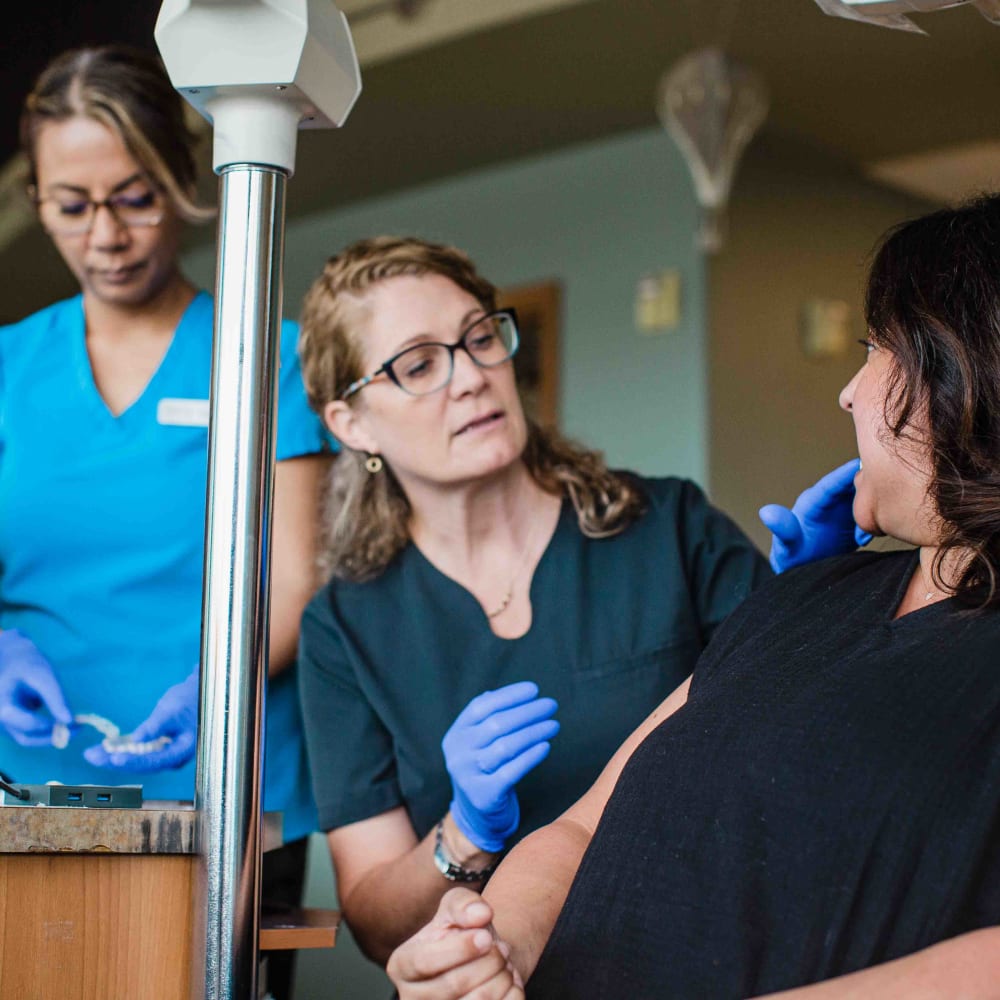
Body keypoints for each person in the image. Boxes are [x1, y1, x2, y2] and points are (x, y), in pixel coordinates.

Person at [386, 195, 1000, 998]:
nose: (848, 393)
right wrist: (492, 946)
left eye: (879, 350)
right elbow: (579, 828)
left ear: (965, 379)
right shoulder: (803, 598)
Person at [295, 235, 772, 963]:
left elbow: (796, 735)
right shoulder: (345, 629)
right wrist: (464, 832)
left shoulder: (669, 529)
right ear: (351, 423)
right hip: (496, 976)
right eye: (419, 364)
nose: (472, 377)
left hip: (706, 954)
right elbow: (375, 922)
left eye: (480, 337)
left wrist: (816, 603)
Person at [0, 47, 332, 999]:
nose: (105, 235)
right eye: (71, 204)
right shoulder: (9, 367)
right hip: (29, 802)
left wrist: (219, 694)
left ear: (187, 182)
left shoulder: (268, 356)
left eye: (135, 198)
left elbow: (295, 582)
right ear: (38, 199)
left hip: (232, 796)